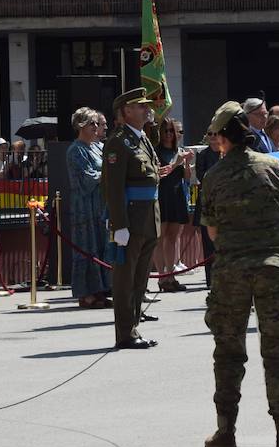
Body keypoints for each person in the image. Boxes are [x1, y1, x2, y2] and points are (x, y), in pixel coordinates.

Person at [199, 100, 279, 447]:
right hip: (275, 268)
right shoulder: (274, 167)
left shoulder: (213, 176)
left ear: (225, 138)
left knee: (228, 351)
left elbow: (211, 231)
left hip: (230, 273)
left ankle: (225, 432)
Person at [101, 88, 161, 349]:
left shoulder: (142, 139)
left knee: (140, 278)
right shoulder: (118, 142)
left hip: (148, 216)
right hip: (131, 219)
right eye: (140, 106)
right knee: (126, 278)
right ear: (126, 111)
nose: (147, 109)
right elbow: (112, 187)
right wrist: (119, 225)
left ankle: (133, 328)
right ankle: (125, 333)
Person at [66, 107, 111, 309]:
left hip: (100, 204)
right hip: (84, 205)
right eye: (91, 123)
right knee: (87, 246)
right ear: (81, 126)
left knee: (102, 245)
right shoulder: (75, 150)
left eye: (96, 123)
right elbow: (86, 177)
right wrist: (107, 174)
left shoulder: (98, 147)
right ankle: (86, 293)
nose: (96, 127)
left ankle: (101, 290)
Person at [155, 117, 196, 293]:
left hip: (176, 194)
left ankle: (171, 275)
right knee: (160, 237)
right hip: (161, 195)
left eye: (172, 131)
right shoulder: (155, 151)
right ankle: (162, 277)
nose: (169, 135)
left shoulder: (179, 151)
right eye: (166, 131)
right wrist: (176, 163)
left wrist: (186, 164)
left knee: (172, 237)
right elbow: (159, 173)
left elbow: (186, 178)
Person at [191, 130, 224, 288]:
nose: (213, 137)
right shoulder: (203, 155)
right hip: (207, 203)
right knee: (208, 244)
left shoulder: (226, 152)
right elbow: (201, 176)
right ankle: (211, 280)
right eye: (210, 134)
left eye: (215, 133)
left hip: (224, 203)